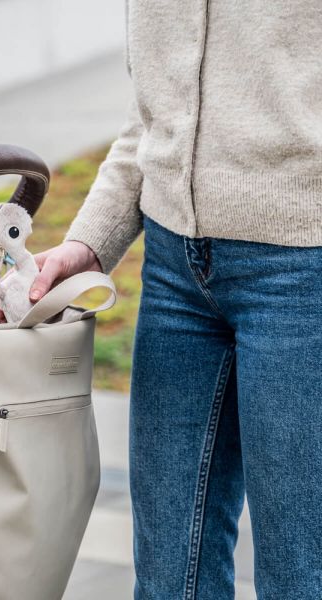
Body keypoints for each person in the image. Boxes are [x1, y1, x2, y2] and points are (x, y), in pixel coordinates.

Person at [30, 2, 322, 598]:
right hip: (175, 274)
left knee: (299, 575)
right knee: (168, 578)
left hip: (303, 269)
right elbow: (153, 117)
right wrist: (91, 240)